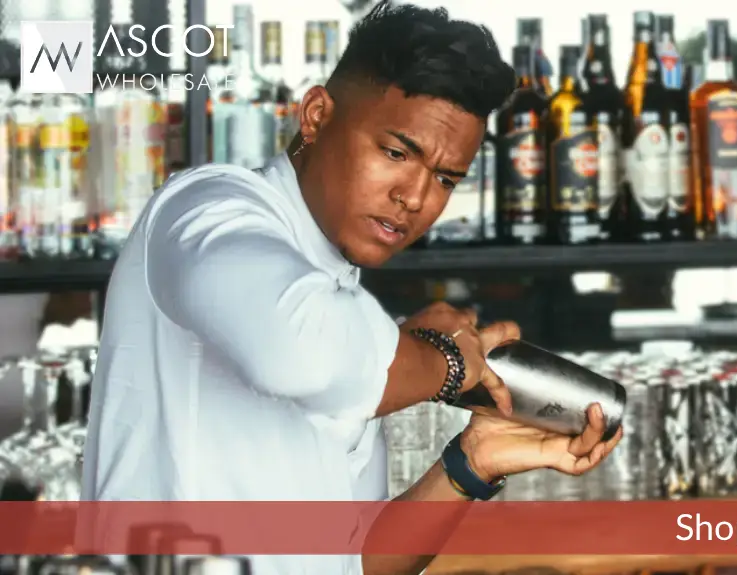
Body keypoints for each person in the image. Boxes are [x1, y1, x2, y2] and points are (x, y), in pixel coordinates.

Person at [79, 2, 623, 574]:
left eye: (445, 178)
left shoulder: (342, 302)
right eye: (395, 153)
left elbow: (354, 561)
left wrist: (472, 462)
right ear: (316, 115)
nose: (415, 197)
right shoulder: (206, 210)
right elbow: (298, 349)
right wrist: (448, 366)